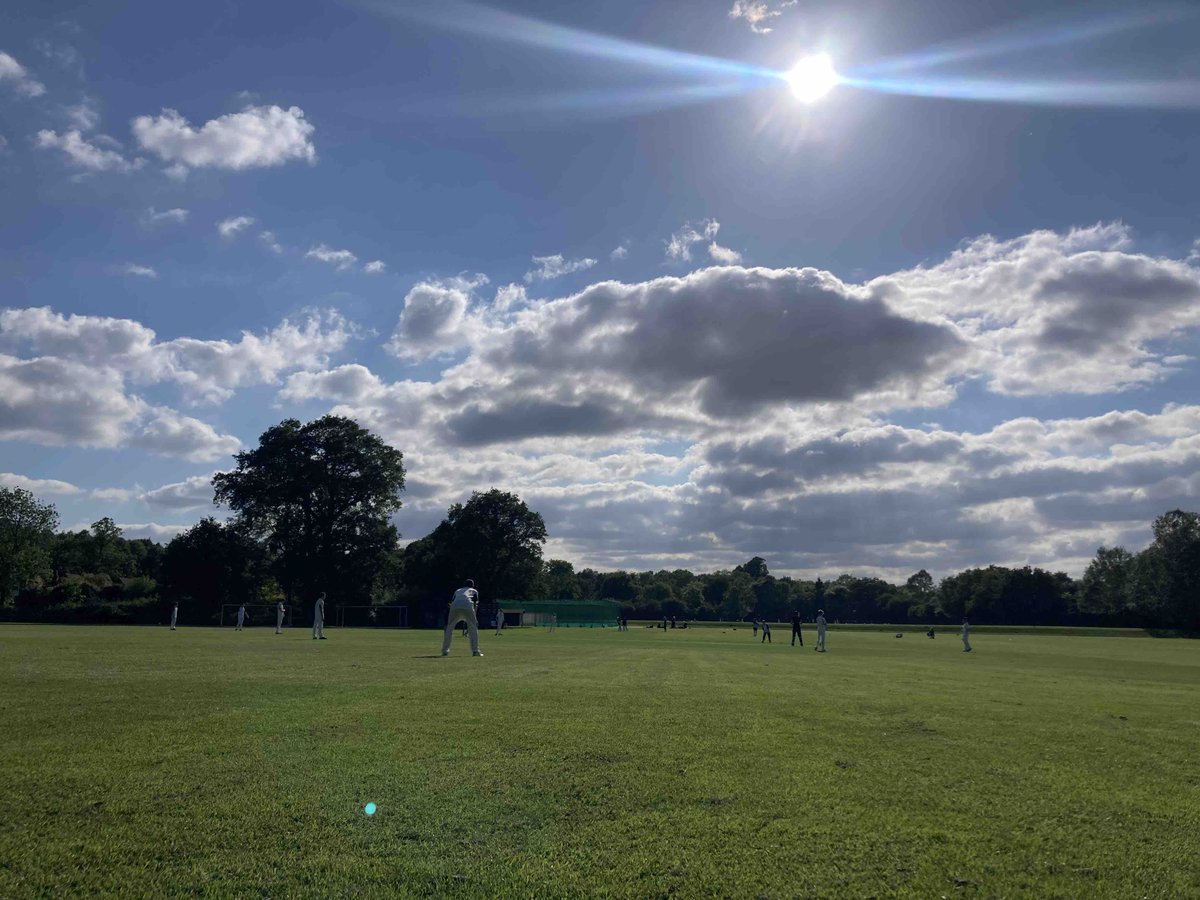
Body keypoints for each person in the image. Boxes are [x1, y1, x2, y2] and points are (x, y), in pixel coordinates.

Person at [441, 579, 482, 657]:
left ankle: (445, 651)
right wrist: (475, 619)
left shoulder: (458, 590)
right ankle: (475, 651)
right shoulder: (474, 591)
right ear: (472, 585)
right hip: (468, 606)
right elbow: (475, 604)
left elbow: (452, 602)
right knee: (473, 628)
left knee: (449, 629)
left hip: (455, 606)